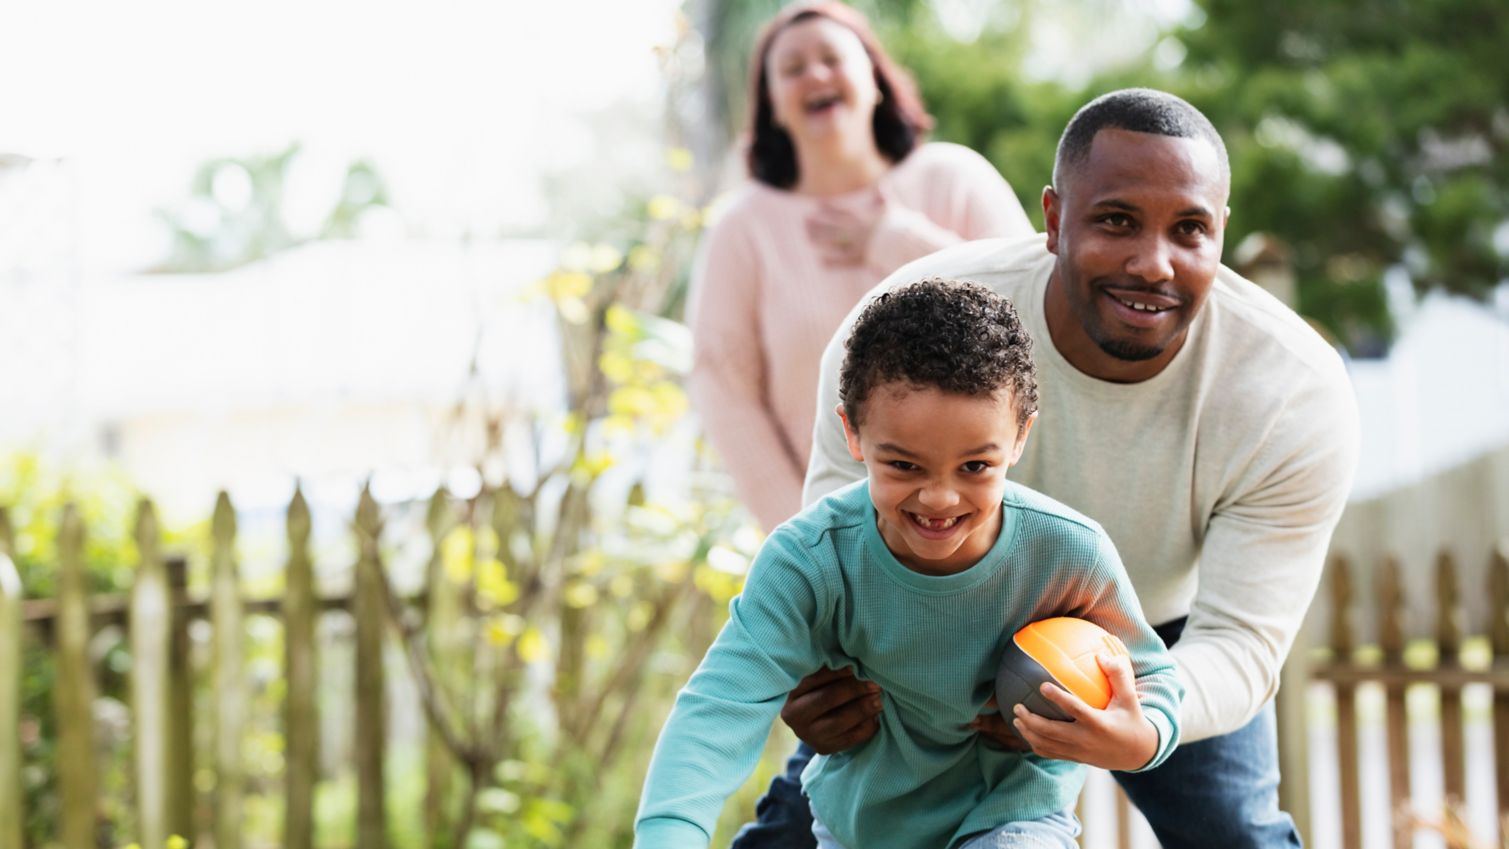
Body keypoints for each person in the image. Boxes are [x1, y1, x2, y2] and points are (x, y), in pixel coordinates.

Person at [749, 88, 1361, 848]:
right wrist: (811, 670)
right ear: (1053, 218)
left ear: (1220, 232)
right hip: (927, 615)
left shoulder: (1290, 390)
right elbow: (838, 556)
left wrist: (1143, 718)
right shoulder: (901, 333)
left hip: (1156, 639)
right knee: (796, 831)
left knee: (1233, 831)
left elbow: (1238, 642)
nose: (1152, 263)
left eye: (1189, 229)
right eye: (1115, 220)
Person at [635, 279, 1183, 849]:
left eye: (974, 466)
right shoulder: (810, 562)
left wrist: (1139, 740)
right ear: (852, 433)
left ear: (1019, 437)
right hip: (864, 829)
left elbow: (1154, 678)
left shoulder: (1068, 553)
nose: (939, 499)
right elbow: (719, 709)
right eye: (903, 465)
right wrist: (669, 833)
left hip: (1014, 817)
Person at [687, 1, 1033, 532]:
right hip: (836, 545)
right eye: (793, 68)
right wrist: (805, 533)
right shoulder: (743, 227)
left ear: (875, 78)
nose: (816, 75)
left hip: (988, 528)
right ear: (772, 104)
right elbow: (724, 390)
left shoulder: (955, 178)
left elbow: (1031, 318)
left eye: (831, 58)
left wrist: (895, 241)